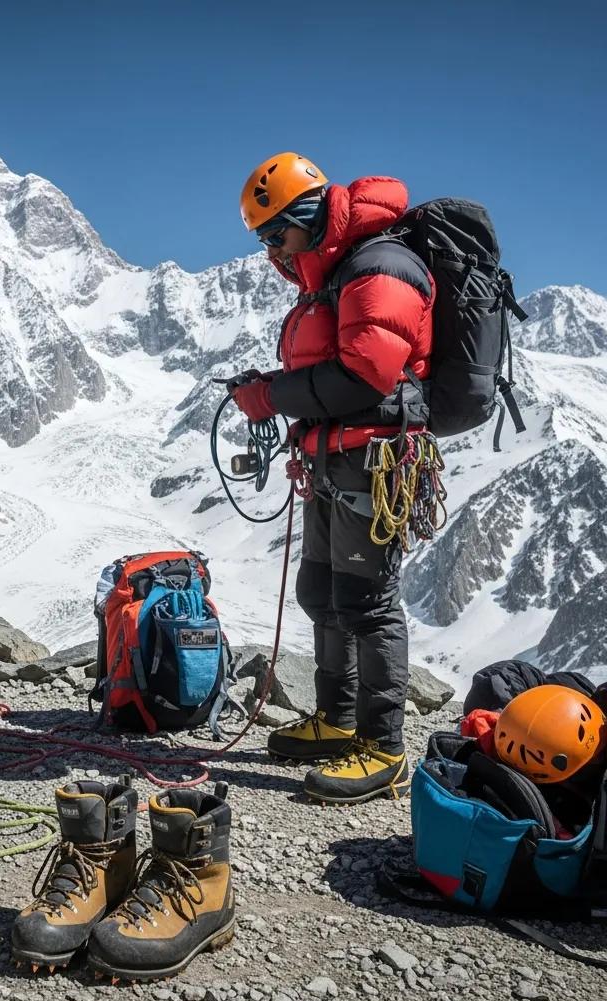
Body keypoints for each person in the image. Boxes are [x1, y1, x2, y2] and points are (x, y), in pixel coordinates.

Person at [233, 152, 434, 805]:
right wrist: (281, 400)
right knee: (322, 590)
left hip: (373, 462)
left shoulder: (382, 266)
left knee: (368, 601)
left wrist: (273, 395)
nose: (272, 248)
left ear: (306, 216)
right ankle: (338, 720)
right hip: (332, 457)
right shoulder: (332, 275)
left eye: (273, 233)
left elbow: (365, 375)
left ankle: (383, 749)